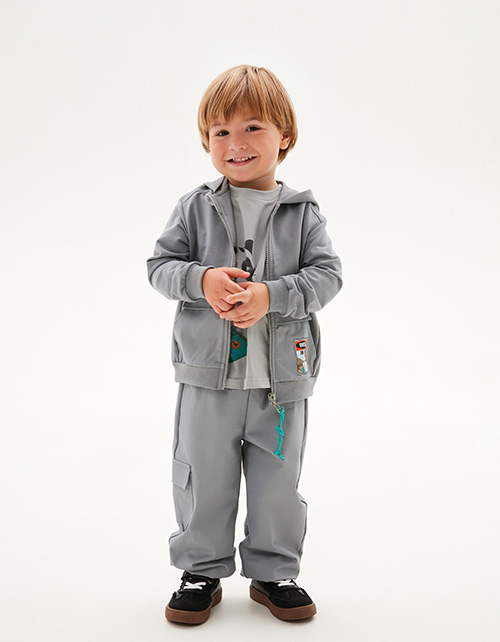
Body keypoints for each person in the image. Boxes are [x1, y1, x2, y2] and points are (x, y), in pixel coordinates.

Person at [146, 64, 343, 625]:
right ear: (206, 141)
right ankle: (200, 570)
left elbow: (327, 276)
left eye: (253, 127)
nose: (236, 143)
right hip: (208, 379)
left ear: (285, 136)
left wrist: (272, 295)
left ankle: (274, 570)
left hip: (280, 384)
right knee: (203, 477)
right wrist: (201, 280)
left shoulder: (303, 213)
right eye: (221, 132)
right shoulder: (194, 207)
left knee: (277, 483)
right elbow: (160, 267)